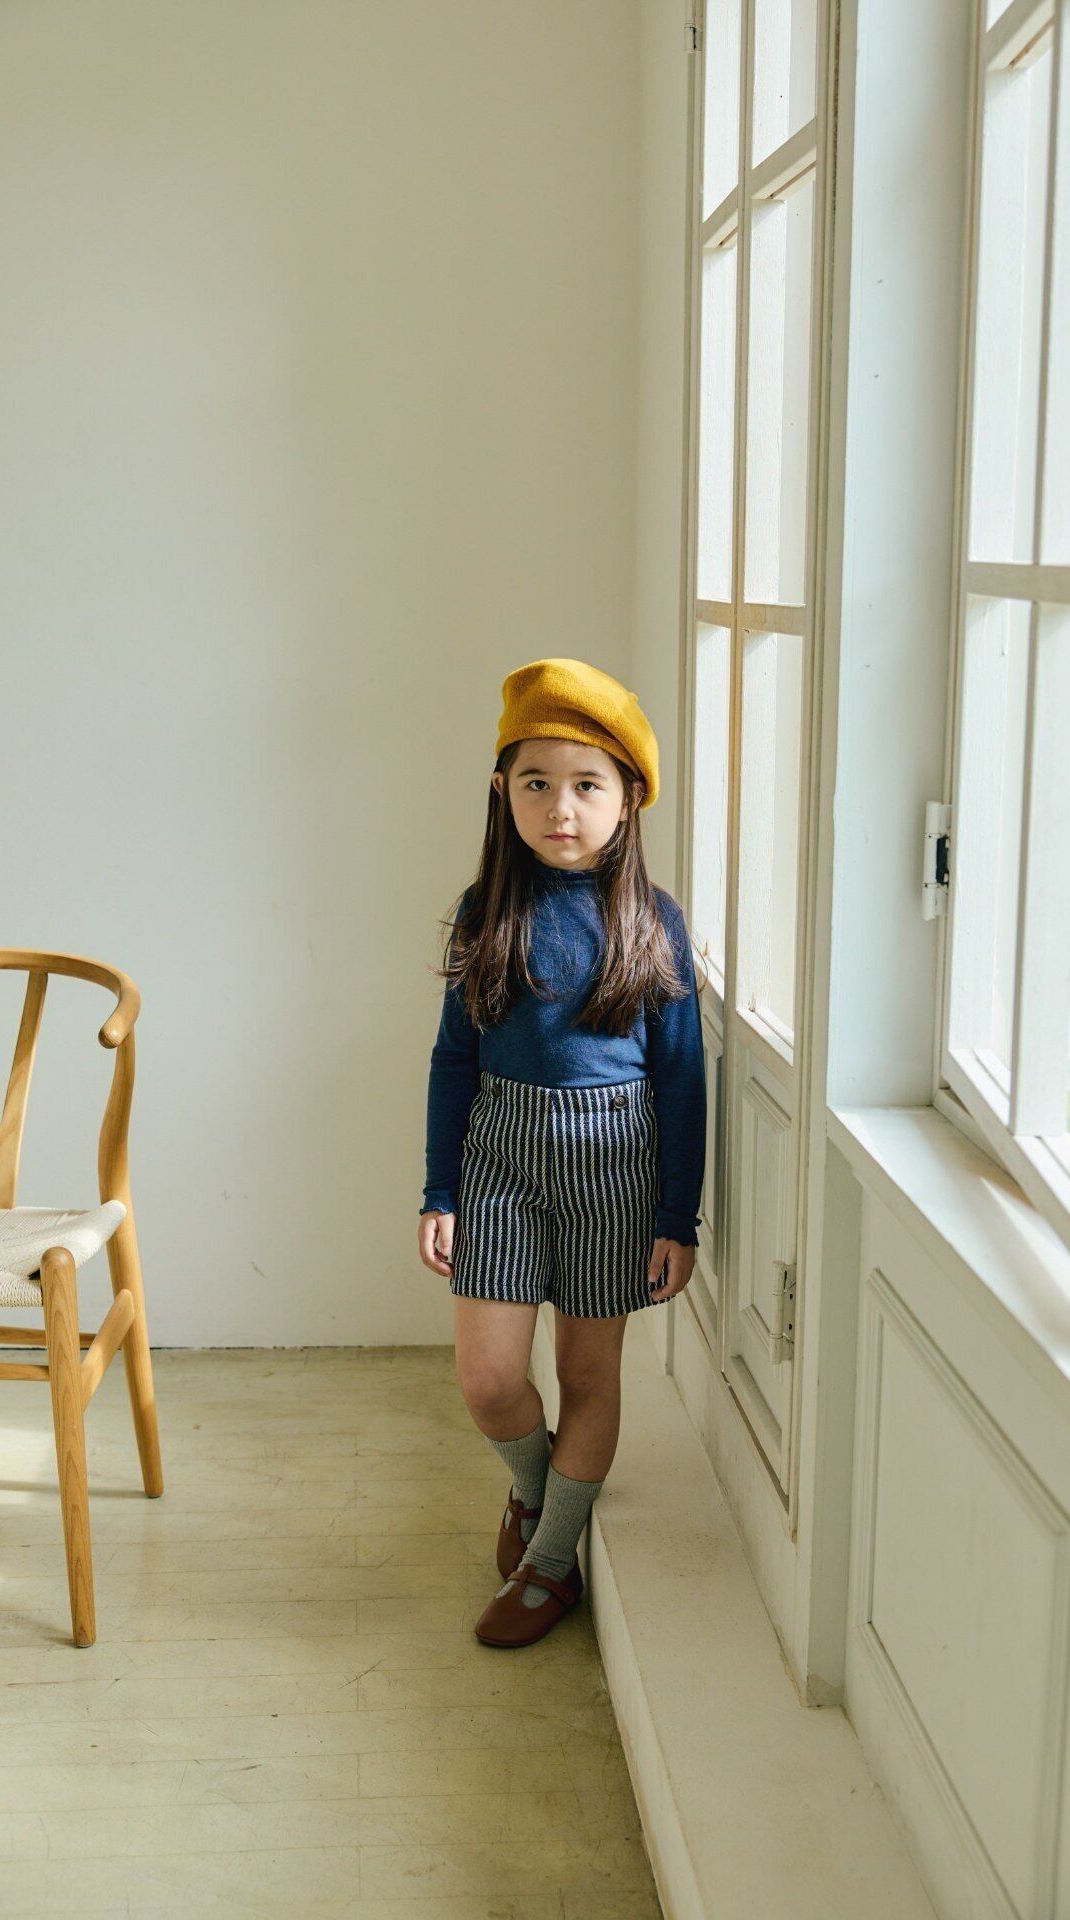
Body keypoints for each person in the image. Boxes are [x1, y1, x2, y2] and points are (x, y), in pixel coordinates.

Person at [416, 656, 708, 1649]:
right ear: (502, 791)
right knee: (489, 1379)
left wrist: (676, 1219)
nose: (561, 808)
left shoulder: (654, 923)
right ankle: (542, 1491)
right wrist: (440, 1190)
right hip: (499, 1159)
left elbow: (682, 1081)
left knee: (588, 1375)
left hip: (614, 1169)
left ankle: (549, 1566)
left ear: (628, 800)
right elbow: (454, 1058)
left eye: (587, 785)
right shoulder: (484, 908)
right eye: (536, 783)